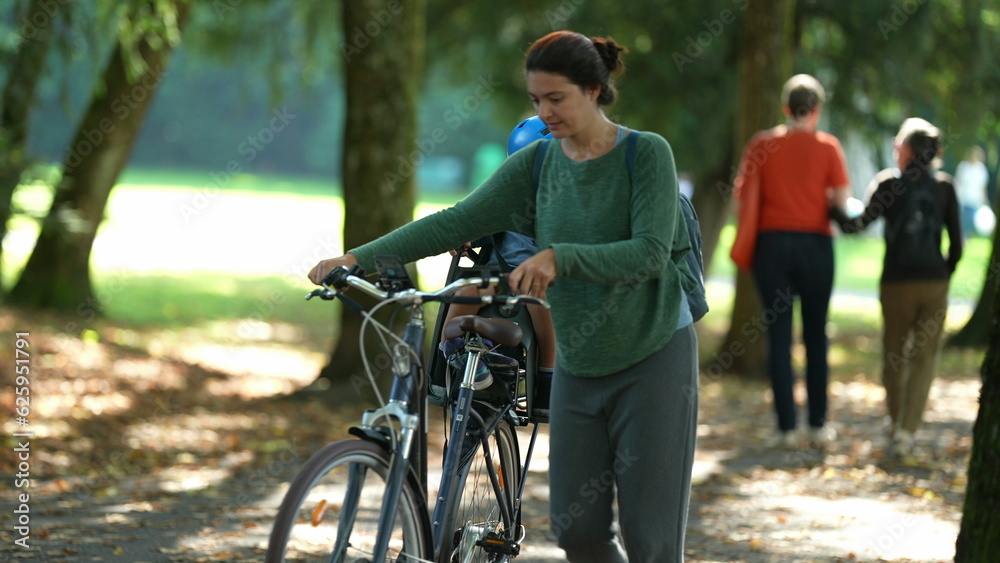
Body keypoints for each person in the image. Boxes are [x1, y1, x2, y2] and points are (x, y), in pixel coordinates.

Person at [309, 30, 698, 562]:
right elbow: (457, 222)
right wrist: (358, 257)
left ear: (592, 88)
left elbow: (650, 252)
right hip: (582, 365)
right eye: (536, 100)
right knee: (577, 531)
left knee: (650, 538)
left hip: (654, 354)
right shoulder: (537, 164)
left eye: (555, 98)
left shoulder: (645, 154)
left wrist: (561, 258)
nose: (545, 111)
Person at [731, 74, 851, 450]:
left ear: (785, 108)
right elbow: (842, 202)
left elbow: (741, 200)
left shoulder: (762, 144)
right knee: (817, 335)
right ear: (817, 110)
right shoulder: (829, 147)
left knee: (778, 337)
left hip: (772, 247)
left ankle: (786, 428)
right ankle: (817, 424)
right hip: (816, 246)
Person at [831, 118, 963, 459]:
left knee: (894, 355)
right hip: (934, 282)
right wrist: (942, 274)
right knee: (925, 358)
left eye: (898, 144)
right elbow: (958, 246)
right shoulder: (946, 187)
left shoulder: (888, 184)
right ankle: (908, 431)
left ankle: (894, 423)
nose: (894, 148)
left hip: (896, 283)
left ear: (907, 151)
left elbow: (856, 225)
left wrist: (829, 205)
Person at [440, 117, 557, 401]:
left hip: (539, 279)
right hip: (497, 273)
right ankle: (450, 349)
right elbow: (475, 222)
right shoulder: (505, 195)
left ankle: (547, 373)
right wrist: (463, 237)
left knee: (537, 299)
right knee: (467, 291)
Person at [953, 145, 989, 237]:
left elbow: (983, 186)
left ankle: (967, 236)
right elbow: (958, 182)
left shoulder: (981, 169)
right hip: (963, 198)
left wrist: (984, 200)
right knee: (962, 220)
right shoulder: (963, 166)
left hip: (975, 199)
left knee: (970, 220)